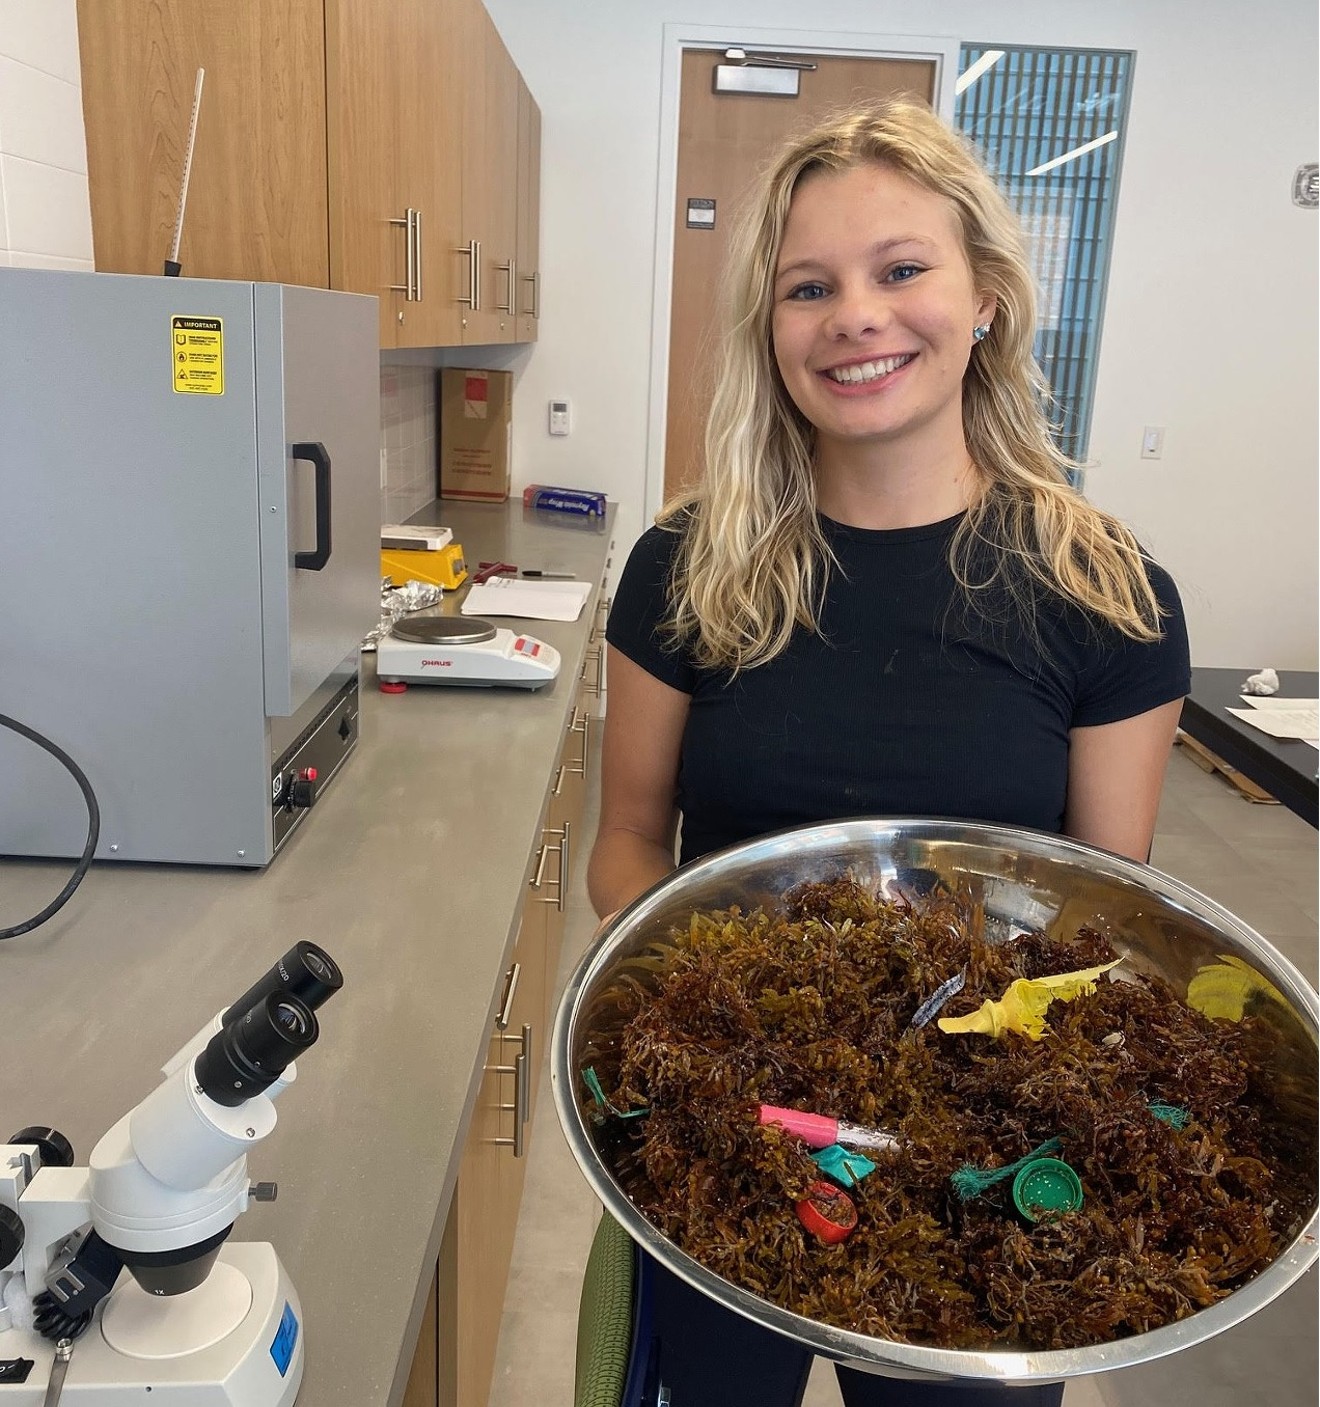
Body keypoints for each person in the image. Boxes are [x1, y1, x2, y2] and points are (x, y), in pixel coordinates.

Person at [586, 96, 1191, 1407]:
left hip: (978, 1164)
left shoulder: (1106, 591)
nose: (856, 315)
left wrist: (946, 1103)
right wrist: (723, 1054)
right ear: (772, 329)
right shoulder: (688, 569)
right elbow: (631, 838)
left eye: (901, 270)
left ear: (985, 300)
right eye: (811, 287)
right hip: (725, 1139)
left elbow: (1096, 925)